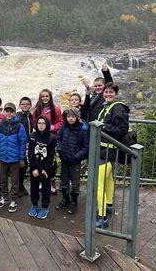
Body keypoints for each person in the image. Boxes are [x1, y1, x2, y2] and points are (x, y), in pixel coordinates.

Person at [96, 82, 129, 229]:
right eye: (106, 92)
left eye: (111, 92)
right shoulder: (108, 107)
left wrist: (103, 126)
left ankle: (102, 217)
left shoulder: (118, 108)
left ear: (116, 94)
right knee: (108, 179)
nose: (108, 94)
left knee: (99, 184)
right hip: (105, 150)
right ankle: (108, 204)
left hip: (107, 151)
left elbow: (122, 130)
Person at [0, 102, 27, 213]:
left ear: (14, 112)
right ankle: (4, 197)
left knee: (15, 180)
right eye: (7, 111)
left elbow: (23, 142)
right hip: (2, 157)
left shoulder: (19, 126)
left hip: (14, 159)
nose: (9, 113)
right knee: (3, 179)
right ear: (4, 112)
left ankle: (13, 200)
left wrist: (21, 157)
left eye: (11, 111)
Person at [55, 107, 89, 214]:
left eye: (73, 116)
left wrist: (76, 157)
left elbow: (85, 147)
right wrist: (60, 150)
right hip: (64, 159)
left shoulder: (82, 130)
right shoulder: (63, 127)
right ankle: (65, 199)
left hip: (75, 161)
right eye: (68, 116)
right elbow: (58, 140)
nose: (70, 118)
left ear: (77, 117)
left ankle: (74, 202)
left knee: (75, 183)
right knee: (64, 182)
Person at [33, 89, 63, 195]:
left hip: (52, 138)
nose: (45, 98)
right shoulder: (37, 110)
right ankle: (42, 180)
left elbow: (60, 122)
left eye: (47, 96)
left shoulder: (56, 109)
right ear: (40, 98)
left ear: (50, 97)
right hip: (40, 138)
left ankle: (52, 181)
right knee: (41, 159)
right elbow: (34, 123)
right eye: (43, 96)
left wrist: (52, 127)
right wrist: (41, 128)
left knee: (52, 161)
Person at [28, 116, 56, 219]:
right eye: (39, 123)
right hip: (35, 167)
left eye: (43, 123)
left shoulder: (52, 138)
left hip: (46, 168)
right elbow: (30, 154)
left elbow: (51, 156)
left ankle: (45, 207)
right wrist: (33, 168)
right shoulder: (32, 136)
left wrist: (46, 169)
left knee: (46, 188)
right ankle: (34, 205)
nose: (41, 125)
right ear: (36, 124)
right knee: (34, 187)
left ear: (47, 124)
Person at [16, 96, 33, 197]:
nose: (25, 106)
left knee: (24, 165)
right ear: (20, 105)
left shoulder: (30, 116)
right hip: (19, 144)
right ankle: (17, 187)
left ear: (30, 105)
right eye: (23, 104)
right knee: (19, 165)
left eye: (27, 104)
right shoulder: (18, 116)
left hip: (28, 144)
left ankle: (21, 185)